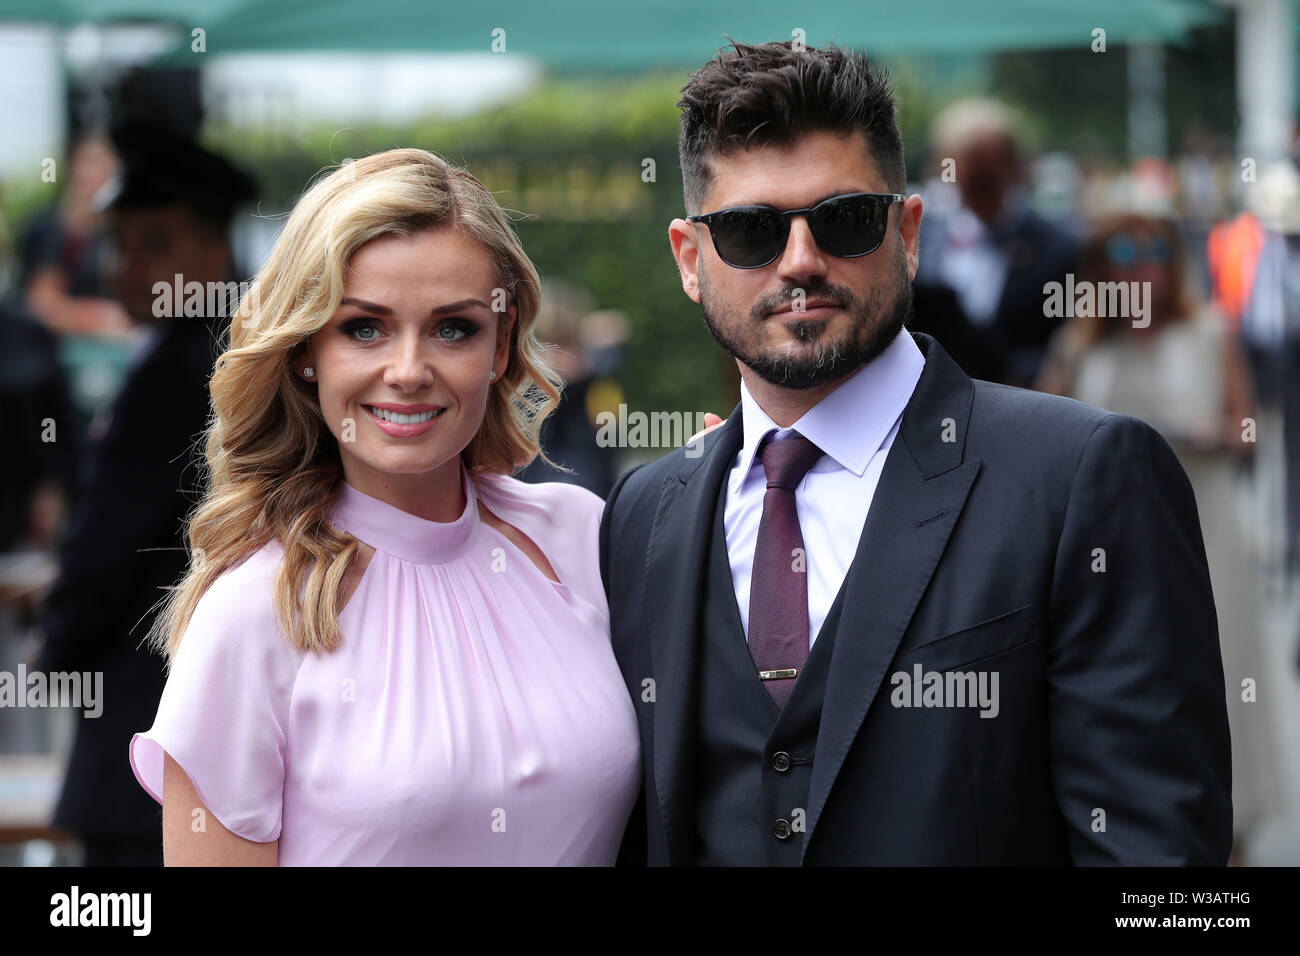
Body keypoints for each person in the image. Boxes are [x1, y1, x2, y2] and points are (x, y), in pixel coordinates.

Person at [600, 41, 1232, 866]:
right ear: (691, 259)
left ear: (908, 233)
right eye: (751, 231)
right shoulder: (644, 514)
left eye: (845, 220)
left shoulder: (1082, 475)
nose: (800, 262)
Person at [127, 148, 640, 865]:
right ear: (306, 348)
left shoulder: (580, 537)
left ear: (499, 345)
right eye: (363, 327)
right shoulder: (251, 613)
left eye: (453, 328)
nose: (408, 371)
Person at [35, 128, 257, 866]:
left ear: (215, 254)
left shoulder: (182, 372)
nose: (127, 270)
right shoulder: (229, 358)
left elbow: (105, 550)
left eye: (153, 246)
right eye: (119, 246)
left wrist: (53, 652)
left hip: (148, 731)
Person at [1037, 212, 1280, 861]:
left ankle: (1232, 831)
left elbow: (1247, 428)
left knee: (1221, 666)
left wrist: (1198, 435)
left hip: (1205, 518)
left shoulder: (1210, 329)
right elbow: (1041, 441)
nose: (1139, 261)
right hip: (1109, 534)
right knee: (1126, 672)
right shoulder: (1080, 344)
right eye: (1122, 248)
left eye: (1153, 248)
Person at [911, 98, 1078, 388]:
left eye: (988, 165)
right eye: (967, 163)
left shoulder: (1057, 248)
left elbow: (1064, 341)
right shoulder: (921, 238)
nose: (978, 178)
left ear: (1013, 166)